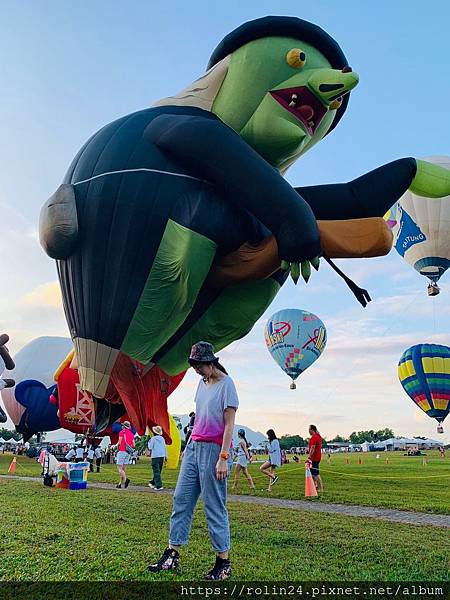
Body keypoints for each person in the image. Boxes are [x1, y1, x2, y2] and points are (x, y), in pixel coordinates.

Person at [148, 341, 238, 580]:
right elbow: (199, 418)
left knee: (213, 505)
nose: (197, 370)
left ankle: (223, 563)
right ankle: (172, 555)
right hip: (194, 446)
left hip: (214, 450)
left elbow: (229, 425)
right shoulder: (202, 383)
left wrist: (223, 457)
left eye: (199, 365)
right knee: (181, 499)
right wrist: (188, 448)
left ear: (211, 361)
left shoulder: (226, 384)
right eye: (194, 366)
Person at [116, 421, 135, 489]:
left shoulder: (121, 432)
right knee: (124, 469)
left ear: (124, 426)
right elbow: (134, 445)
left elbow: (120, 442)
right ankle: (120, 484)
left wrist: (117, 447)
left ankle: (126, 479)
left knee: (119, 468)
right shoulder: (131, 434)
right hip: (128, 452)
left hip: (122, 451)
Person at [148, 425, 168, 490]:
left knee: (156, 471)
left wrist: (149, 442)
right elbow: (165, 448)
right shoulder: (162, 439)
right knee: (158, 471)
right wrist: (166, 456)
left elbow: (150, 447)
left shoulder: (153, 439)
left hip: (155, 456)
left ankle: (159, 486)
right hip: (161, 456)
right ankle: (153, 482)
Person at [308, 424, 323, 492]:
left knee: (316, 473)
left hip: (314, 458)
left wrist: (309, 456)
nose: (308, 431)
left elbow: (312, 448)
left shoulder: (314, 437)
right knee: (312, 473)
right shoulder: (318, 436)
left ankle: (320, 488)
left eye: (309, 429)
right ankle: (316, 486)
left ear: (312, 430)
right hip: (317, 457)